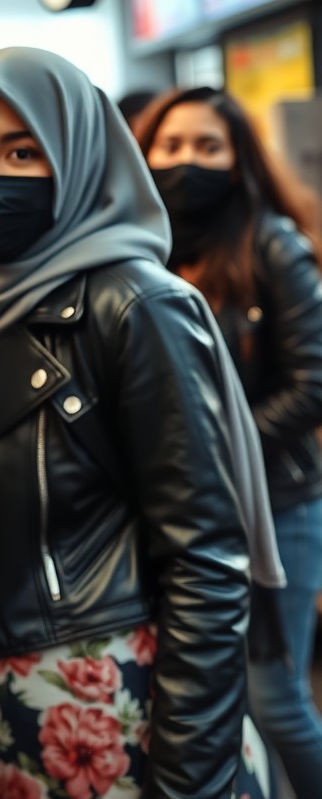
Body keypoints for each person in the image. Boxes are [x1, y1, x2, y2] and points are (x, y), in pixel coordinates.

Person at [0, 46, 284, 797]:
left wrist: (188, 778)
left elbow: (209, 562)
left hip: (116, 715)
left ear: (80, 161)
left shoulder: (138, 307)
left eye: (23, 150)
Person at [138, 86, 322, 799]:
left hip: (276, 503)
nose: (188, 160)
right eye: (173, 145)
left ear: (238, 159)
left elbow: (313, 383)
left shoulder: (272, 243)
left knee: (276, 699)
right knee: (218, 700)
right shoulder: (145, 250)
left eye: (207, 146)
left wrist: (217, 455)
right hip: (185, 517)